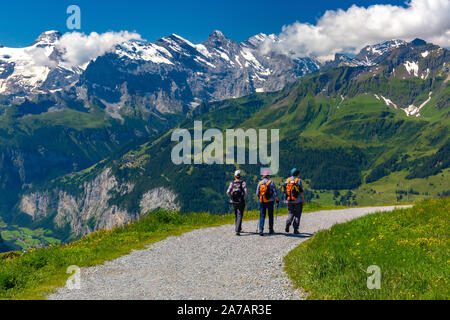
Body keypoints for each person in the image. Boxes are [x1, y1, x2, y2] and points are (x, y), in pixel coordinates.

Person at [256, 170, 280, 236]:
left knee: (262, 215)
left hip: (262, 201)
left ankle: (261, 229)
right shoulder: (271, 182)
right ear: (268, 176)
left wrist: (260, 197)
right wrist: (277, 199)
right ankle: (271, 229)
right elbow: (275, 192)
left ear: (263, 176)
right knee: (270, 215)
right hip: (270, 201)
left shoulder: (260, 183)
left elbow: (257, 193)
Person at [282, 168, 305, 234]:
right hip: (297, 201)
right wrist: (303, 200)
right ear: (297, 174)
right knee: (297, 214)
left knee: (290, 213)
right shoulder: (298, 180)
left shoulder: (287, 180)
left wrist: (285, 199)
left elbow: (285, 191)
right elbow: (301, 191)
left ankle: (288, 223)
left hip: (289, 200)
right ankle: (295, 229)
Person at [227, 170, 248, 236]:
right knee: (240, 214)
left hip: (233, 201)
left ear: (234, 176)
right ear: (240, 176)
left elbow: (227, 192)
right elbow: (246, 192)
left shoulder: (232, 183)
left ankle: (238, 227)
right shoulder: (243, 183)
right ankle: (238, 230)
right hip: (241, 201)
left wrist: (231, 196)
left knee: (236, 214)